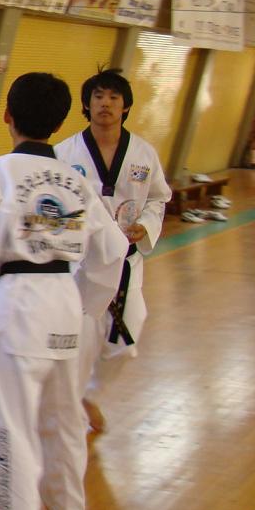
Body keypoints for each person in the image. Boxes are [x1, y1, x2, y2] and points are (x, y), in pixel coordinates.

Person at [0, 73, 128, 510]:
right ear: (59, 123)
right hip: (65, 302)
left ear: (7, 117)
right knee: (64, 415)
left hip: (20, 303)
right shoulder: (75, 179)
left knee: (8, 425)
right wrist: (87, 307)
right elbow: (113, 250)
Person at [54, 69, 171, 434]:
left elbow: (158, 198)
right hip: (82, 264)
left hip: (125, 261)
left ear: (126, 106)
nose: (105, 104)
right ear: (87, 105)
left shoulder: (143, 153)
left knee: (125, 342)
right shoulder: (65, 152)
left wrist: (146, 225)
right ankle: (70, 406)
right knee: (81, 339)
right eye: (98, 97)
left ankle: (90, 393)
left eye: (113, 98)